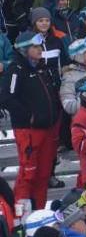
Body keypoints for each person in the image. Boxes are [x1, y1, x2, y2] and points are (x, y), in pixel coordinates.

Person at [0, 32, 62, 208]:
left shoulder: (43, 68)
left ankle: (39, 213)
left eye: (40, 46)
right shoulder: (16, 69)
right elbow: (6, 98)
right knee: (28, 174)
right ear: (25, 49)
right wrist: (29, 116)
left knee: (43, 175)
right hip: (28, 130)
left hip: (48, 129)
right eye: (35, 47)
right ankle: (19, 217)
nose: (40, 50)